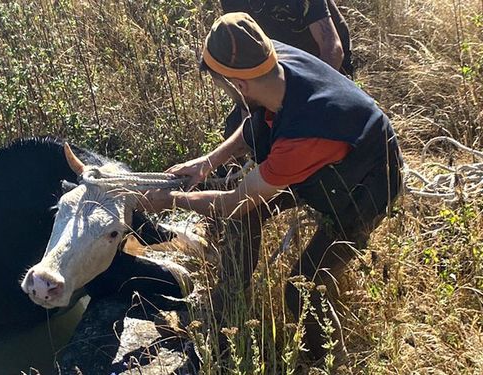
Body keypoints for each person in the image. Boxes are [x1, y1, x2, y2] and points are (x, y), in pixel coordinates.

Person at [138, 12, 402, 365]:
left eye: (222, 86)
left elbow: (233, 202)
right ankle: (230, 295)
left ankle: (326, 361)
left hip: (366, 183)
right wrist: (207, 163)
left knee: (302, 286)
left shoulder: (302, 137)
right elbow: (254, 121)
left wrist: (169, 199)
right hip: (324, 162)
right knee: (247, 216)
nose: (224, 93)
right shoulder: (268, 58)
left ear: (239, 85)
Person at [220, 0, 353, 76]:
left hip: (324, 65)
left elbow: (332, 49)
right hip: (279, 66)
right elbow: (245, 51)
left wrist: (312, 96)